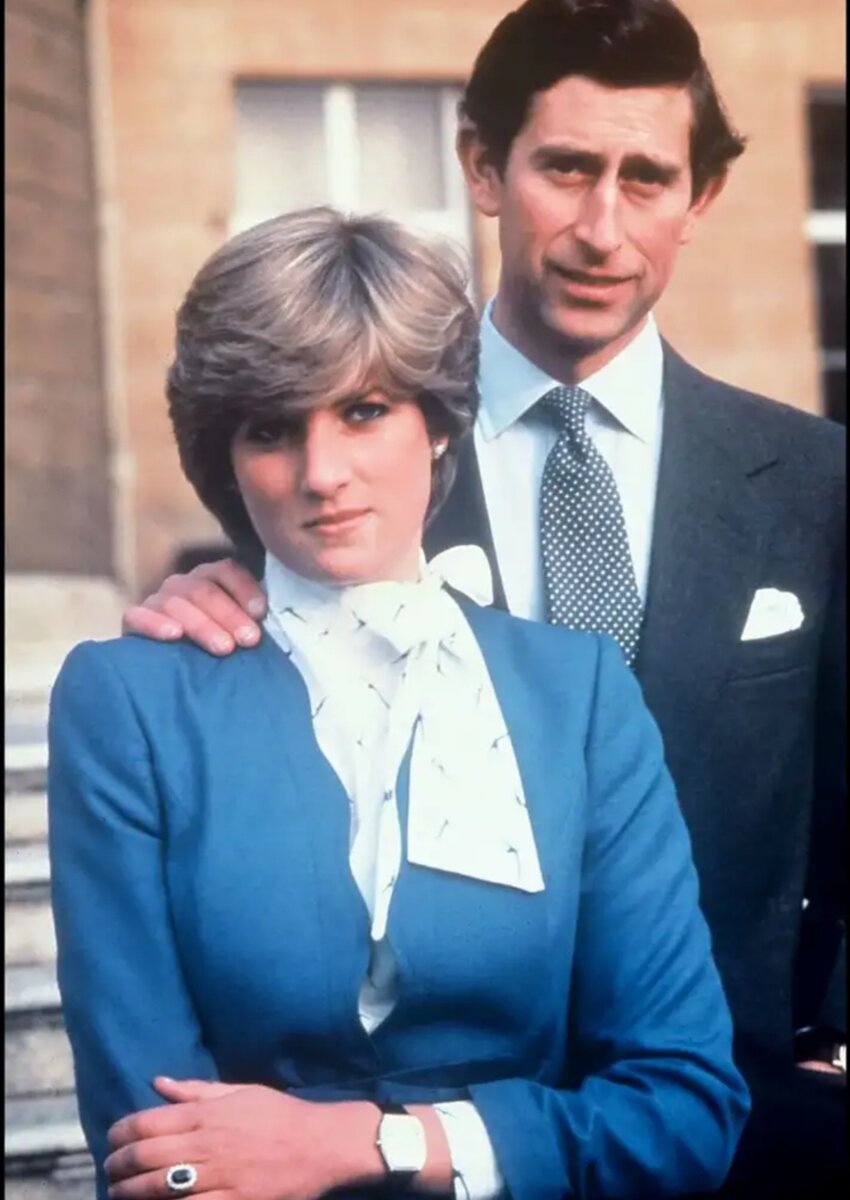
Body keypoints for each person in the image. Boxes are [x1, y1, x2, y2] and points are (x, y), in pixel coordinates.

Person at [123, 1, 847, 1195]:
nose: (601, 229)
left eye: (645, 178)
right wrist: (214, 594)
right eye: (564, 169)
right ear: (482, 167)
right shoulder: (353, 449)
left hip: (740, 1124)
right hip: (409, 1135)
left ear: (699, 197)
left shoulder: (818, 482)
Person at [49, 207, 748, 1200]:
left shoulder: (578, 697)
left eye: (365, 411)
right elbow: (153, 1142)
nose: (322, 474)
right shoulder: (131, 701)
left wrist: (372, 1144)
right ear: (224, 458)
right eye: (270, 430)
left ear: (440, 422)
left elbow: (681, 1110)